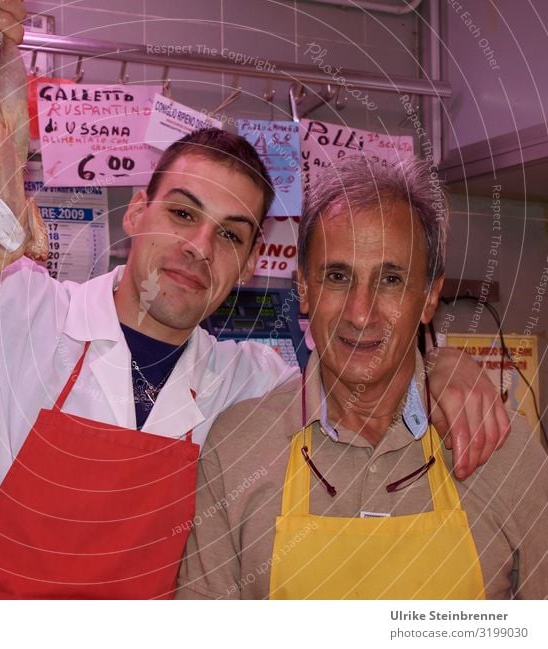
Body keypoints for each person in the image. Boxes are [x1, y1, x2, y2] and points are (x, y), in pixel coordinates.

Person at [0, 0, 508, 599]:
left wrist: (435, 369)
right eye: (182, 213)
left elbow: (367, 379)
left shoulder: (253, 383)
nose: (198, 249)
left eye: (230, 235)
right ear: (137, 214)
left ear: (247, 263)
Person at [175, 156, 548, 599]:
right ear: (305, 290)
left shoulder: (506, 451)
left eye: (391, 279)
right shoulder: (238, 443)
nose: (360, 313)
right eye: (337, 276)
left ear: (429, 298)